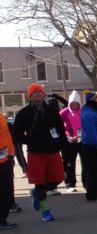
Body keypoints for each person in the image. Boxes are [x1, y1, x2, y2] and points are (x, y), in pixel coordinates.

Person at [13, 83, 68, 222]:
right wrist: (30, 141)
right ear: (30, 95)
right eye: (34, 92)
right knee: (39, 182)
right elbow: (17, 134)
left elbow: (60, 129)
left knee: (59, 177)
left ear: (43, 94)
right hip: (36, 152)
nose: (37, 93)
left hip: (53, 150)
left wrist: (64, 145)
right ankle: (45, 210)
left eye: (39, 91)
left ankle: (36, 193)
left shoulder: (51, 110)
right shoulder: (24, 113)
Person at [80, 91, 97, 203]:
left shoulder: (95, 112)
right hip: (92, 146)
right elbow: (91, 132)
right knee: (93, 170)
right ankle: (91, 194)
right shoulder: (88, 114)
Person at [59, 91, 83, 193]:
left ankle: (87, 183)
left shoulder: (82, 111)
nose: (74, 104)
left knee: (86, 163)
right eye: (72, 102)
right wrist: (66, 136)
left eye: (76, 102)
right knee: (69, 163)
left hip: (83, 140)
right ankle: (70, 184)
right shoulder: (64, 112)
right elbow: (58, 124)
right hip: (70, 141)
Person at [0, 112, 17, 229]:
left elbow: (8, 137)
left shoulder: (1, 117)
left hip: (5, 160)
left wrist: (11, 153)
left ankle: (2, 219)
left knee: (7, 192)